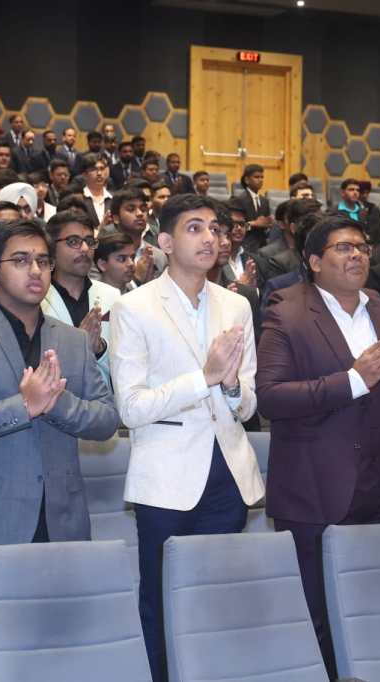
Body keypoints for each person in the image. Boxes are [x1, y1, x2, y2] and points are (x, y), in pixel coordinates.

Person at [0, 219, 119, 682]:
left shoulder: (73, 340)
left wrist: (57, 404)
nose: (35, 271)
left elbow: (106, 419)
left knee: (57, 643)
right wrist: (22, 407)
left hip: (62, 518)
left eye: (43, 261)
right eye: (21, 260)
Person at [257, 215, 380, 674]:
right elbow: (271, 397)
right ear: (314, 261)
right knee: (319, 617)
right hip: (318, 489)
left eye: (362, 247)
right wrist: (355, 379)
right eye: (343, 247)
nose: (357, 255)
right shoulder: (286, 311)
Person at [110, 193, 264, 682]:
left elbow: (248, 404)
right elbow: (132, 407)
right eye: (194, 228)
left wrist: (232, 385)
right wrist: (206, 377)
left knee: (214, 599)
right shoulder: (133, 307)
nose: (210, 237)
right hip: (166, 478)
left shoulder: (237, 305)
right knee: (161, 599)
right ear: (165, 242)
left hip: (228, 472)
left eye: (215, 228)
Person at [42, 211, 121, 383]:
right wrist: (79, 346)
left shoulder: (112, 295)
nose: (85, 249)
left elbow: (125, 362)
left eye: (90, 241)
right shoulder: (37, 301)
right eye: (73, 242)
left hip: (106, 394)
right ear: (51, 248)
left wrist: (99, 349)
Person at [80, 153, 111, 228]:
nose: (99, 173)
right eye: (94, 169)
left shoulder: (114, 199)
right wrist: (101, 228)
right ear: (84, 175)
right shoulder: (78, 199)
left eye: (102, 169)